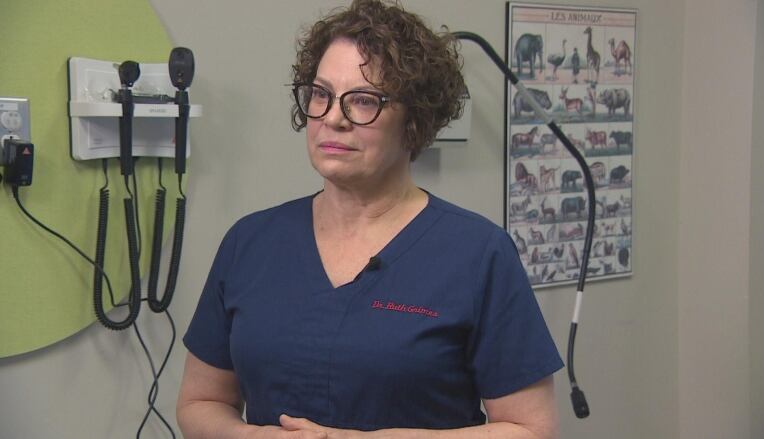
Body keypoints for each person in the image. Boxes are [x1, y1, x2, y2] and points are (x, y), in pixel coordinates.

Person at [177, 1, 563, 438]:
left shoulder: (478, 253)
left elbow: (530, 429)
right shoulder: (250, 243)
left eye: (363, 101)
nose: (333, 118)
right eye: (320, 95)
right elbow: (200, 402)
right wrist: (250, 436)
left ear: (414, 121)